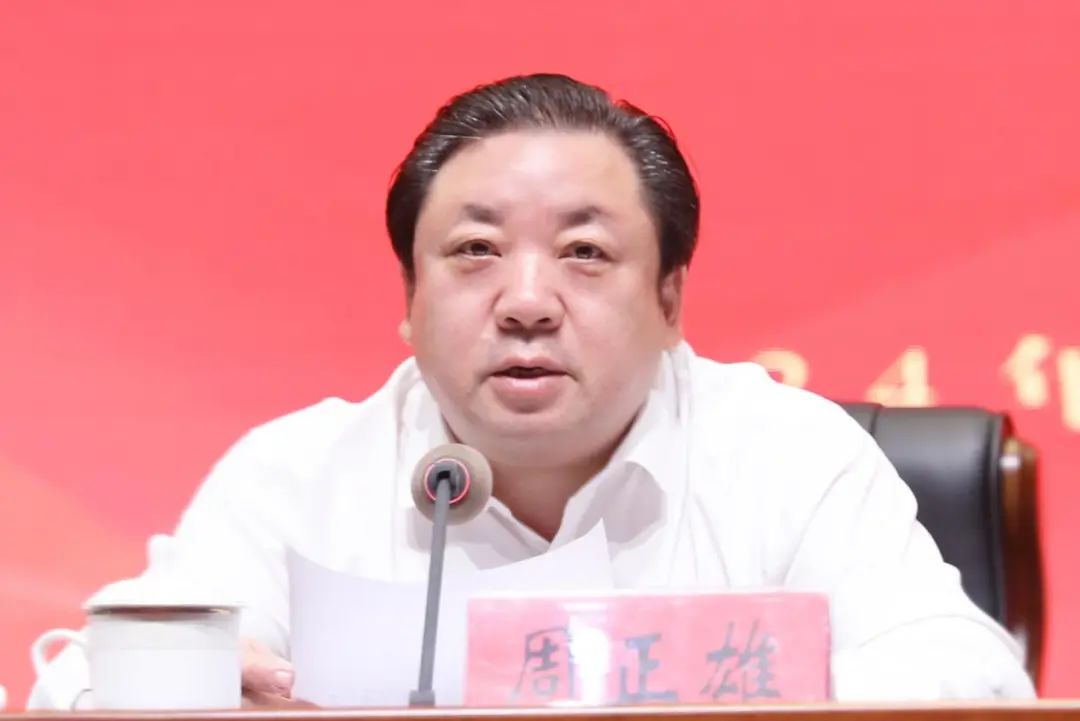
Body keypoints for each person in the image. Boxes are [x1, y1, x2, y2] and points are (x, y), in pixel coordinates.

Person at [29, 73, 1033, 709]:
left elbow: (974, 675)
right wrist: (182, 682)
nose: (525, 302)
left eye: (585, 253)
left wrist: (704, 694)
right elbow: (77, 680)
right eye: (474, 251)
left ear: (670, 299)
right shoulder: (297, 472)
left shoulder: (786, 452)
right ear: (409, 299)